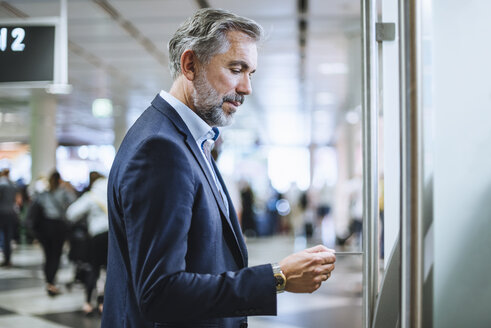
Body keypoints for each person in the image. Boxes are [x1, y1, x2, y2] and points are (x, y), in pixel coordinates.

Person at [102, 8, 336, 328]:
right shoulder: (160, 149)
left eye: (250, 73)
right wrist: (277, 278)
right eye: (236, 69)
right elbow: (160, 292)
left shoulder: (188, 141)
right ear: (190, 64)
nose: (246, 88)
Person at [27, 171, 76, 296]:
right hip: (58, 226)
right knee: (56, 255)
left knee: (48, 255)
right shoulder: (63, 192)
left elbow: (34, 206)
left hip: (45, 227)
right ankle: (52, 282)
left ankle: (49, 281)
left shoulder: (43, 194)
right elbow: (73, 201)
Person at [66, 175, 108, 315]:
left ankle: (88, 302)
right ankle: (103, 302)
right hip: (113, 237)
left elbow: (71, 213)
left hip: (96, 237)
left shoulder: (92, 196)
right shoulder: (113, 194)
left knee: (94, 269)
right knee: (110, 270)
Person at [0, 168, 19, 267]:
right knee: (9, 236)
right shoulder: (13, 185)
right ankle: (8, 258)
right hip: (11, 213)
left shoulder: (1, 184)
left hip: (2, 213)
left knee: (3, 236)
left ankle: (6, 258)